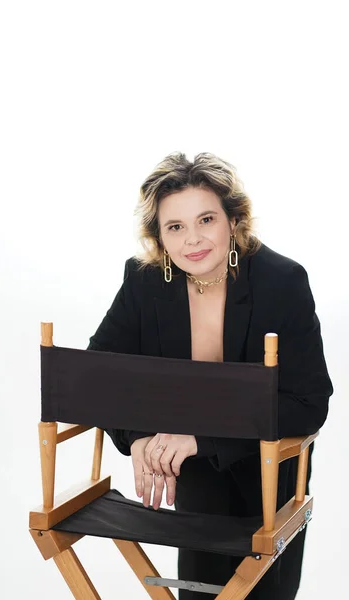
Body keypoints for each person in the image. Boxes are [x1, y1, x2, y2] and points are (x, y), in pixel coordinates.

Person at [87, 151, 333, 600]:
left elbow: (309, 401)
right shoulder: (144, 282)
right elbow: (97, 374)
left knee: (264, 591)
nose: (193, 240)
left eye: (206, 220)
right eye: (175, 227)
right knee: (203, 591)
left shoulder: (283, 281)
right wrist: (139, 435)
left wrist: (200, 438)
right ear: (159, 238)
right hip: (195, 470)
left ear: (234, 222)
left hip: (268, 462)